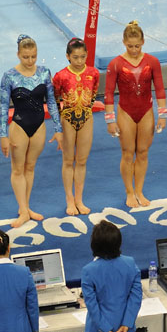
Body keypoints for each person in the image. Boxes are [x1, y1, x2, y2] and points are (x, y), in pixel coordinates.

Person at [0, 35, 63, 228]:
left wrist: (58, 129)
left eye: (33, 56)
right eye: (26, 57)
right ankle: (24, 209)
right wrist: (3, 135)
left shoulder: (44, 73)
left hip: (39, 126)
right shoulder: (9, 76)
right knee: (18, 169)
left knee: (30, 167)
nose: (30, 61)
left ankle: (25, 208)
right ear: (18, 54)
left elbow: (51, 101)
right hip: (18, 126)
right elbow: (3, 107)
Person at [103, 22, 167, 209]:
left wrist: (162, 114)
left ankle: (139, 190)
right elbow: (108, 93)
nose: (133, 50)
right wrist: (110, 120)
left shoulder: (152, 62)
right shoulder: (115, 64)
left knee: (143, 152)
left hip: (146, 111)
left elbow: (160, 90)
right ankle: (129, 192)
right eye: (130, 46)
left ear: (143, 42)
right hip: (125, 112)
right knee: (127, 152)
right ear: (124, 42)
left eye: (137, 46)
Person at [53, 38, 99, 216]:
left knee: (81, 161)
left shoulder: (94, 73)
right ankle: (69, 199)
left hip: (86, 117)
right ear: (68, 56)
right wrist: (59, 122)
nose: (79, 61)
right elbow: (55, 98)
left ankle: (79, 199)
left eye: (83, 57)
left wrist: (87, 109)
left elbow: (94, 93)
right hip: (67, 119)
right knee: (68, 160)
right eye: (75, 57)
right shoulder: (61, 75)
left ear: (87, 55)